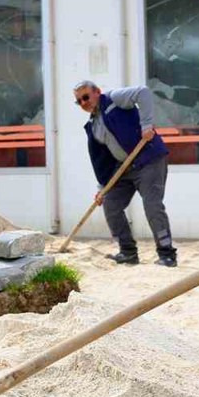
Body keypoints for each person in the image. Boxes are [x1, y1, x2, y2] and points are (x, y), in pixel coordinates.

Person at [74, 80, 177, 267]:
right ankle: (128, 252)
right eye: (79, 101)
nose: (83, 103)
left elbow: (143, 93)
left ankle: (167, 253)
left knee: (152, 205)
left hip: (149, 159)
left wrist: (147, 124)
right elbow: (101, 161)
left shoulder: (114, 99)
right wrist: (103, 188)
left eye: (86, 97)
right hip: (125, 168)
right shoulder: (93, 126)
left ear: (97, 91)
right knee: (111, 204)